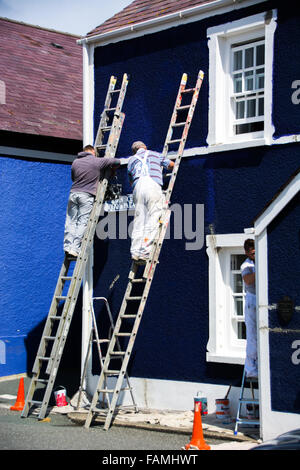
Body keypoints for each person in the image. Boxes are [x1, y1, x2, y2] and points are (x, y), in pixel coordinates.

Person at [64, 144, 120, 257]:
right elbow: (116, 162)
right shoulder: (97, 161)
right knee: (82, 222)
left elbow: (73, 178)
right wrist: (113, 169)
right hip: (87, 195)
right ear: (93, 152)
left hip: (73, 193)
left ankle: (67, 246)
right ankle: (74, 249)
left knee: (71, 221)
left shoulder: (75, 162)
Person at [127, 141, 174, 262]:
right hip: (152, 185)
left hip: (137, 188)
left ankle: (135, 251)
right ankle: (144, 251)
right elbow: (171, 165)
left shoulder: (131, 160)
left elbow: (131, 180)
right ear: (145, 147)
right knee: (154, 217)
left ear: (135, 151)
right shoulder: (154, 154)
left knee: (139, 220)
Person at [241, 238, 258, 378]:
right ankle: (251, 370)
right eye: (252, 253)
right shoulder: (246, 265)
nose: (255, 255)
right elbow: (248, 280)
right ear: (247, 253)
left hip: (261, 299)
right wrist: (261, 268)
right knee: (252, 334)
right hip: (252, 299)